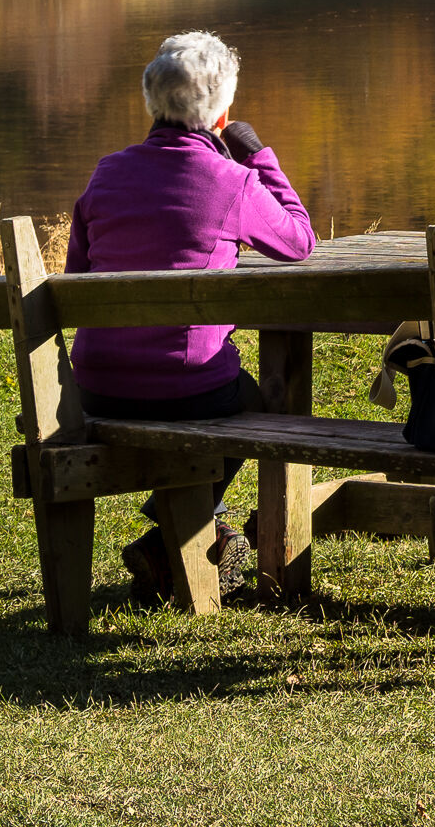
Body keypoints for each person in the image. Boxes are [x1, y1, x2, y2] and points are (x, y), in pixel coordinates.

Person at [66, 31, 313, 602]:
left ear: (151, 101)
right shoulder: (233, 181)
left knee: (225, 391)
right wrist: (257, 153)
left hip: (96, 389)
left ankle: (178, 536)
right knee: (254, 400)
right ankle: (181, 524)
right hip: (189, 391)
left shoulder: (105, 174)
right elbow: (300, 240)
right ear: (222, 112)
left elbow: (78, 279)